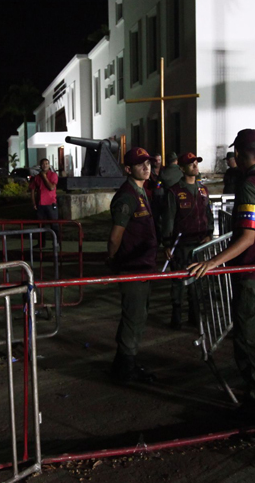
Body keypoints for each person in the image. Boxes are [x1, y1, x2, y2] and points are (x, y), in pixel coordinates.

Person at [189, 129, 255, 422]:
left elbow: (247, 237)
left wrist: (212, 262)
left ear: (237, 154)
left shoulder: (251, 185)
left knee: (251, 341)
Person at [107, 147, 159, 384]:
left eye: (147, 162)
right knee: (133, 318)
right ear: (128, 169)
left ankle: (124, 362)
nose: (146, 167)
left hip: (143, 265)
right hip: (132, 267)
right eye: (140, 164)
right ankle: (125, 368)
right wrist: (114, 260)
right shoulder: (127, 195)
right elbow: (115, 237)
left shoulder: (141, 191)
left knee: (137, 316)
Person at [160, 152, 213, 329]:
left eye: (196, 162)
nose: (195, 166)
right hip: (180, 245)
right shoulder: (174, 192)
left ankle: (194, 316)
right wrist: (167, 243)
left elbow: (208, 214)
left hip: (199, 244)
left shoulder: (203, 190)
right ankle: (176, 318)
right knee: (178, 282)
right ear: (182, 169)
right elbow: (168, 219)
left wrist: (209, 233)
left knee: (197, 281)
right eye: (191, 164)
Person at [30, 158, 59, 248]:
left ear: (49, 165)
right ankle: (41, 243)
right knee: (40, 225)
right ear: (40, 165)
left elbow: (51, 188)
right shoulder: (36, 177)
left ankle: (56, 243)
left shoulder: (53, 175)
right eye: (43, 164)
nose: (45, 165)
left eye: (47, 163)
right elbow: (32, 190)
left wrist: (44, 177)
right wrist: (34, 203)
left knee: (54, 225)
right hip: (40, 205)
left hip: (51, 204)